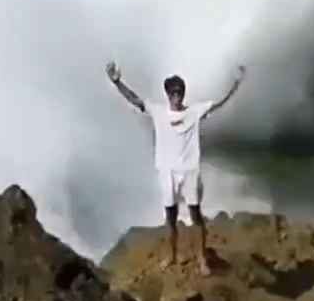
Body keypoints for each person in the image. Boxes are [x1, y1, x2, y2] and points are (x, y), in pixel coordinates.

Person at [105, 61, 245, 275]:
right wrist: (117, 82)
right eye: (173, 93)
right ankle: (171, 255)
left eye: (179, 92)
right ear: (167, 94)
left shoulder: (195, 112)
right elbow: (134, 99)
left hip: (190, 170)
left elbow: (220, 103)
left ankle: (201, 259)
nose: (176, 96)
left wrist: (236, 84)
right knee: (170, 216)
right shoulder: (158, 111)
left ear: (183, 94)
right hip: (167, 171)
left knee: (195, 215)